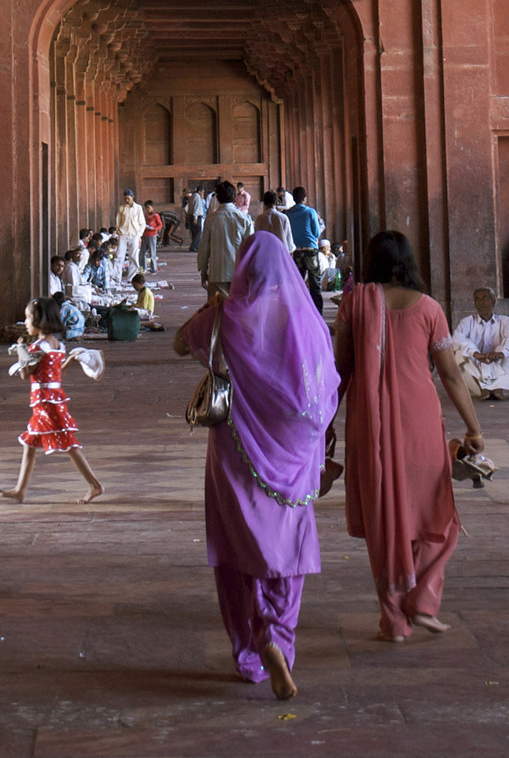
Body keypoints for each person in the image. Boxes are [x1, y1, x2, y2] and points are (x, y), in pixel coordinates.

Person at [174, 230, 337, 698]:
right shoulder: (307, 323)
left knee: (235, 552)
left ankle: (250, 649)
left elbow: (180, 346)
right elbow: (323, 392)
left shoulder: (224, 320)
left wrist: (213, 307)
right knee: (287, 551)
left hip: (234, 456)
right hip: (293, 456)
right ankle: (277, 640)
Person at [333, 229, 483, 642]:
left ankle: (395, 621)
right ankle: (421, 599)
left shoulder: (354, 304)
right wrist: (474, 427)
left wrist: (323, 424)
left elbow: (339, 373)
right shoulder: (429, 309)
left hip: (370, 425)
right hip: (419, 422)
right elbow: (451, 374)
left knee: (386, 520)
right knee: (436, 515)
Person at [0, 295, 104, 504]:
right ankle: (20, 490)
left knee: (69, 444)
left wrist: (21, 350)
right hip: (51, 399)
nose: (26, 323)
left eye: (28, 319)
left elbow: (25, 373)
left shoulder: (39, 347)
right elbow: (54, 373)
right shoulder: (58, 346)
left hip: (45, 403)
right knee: (30, 443)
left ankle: (95, 485)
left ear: (39, 321)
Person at [451, 289, 509, 399]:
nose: (481, 302)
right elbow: (457, 338)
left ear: (493, 302)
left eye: (485, 298)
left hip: (497, 365)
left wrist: (500, 353)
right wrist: (475, 353)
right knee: (459, 354)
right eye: (477, 299)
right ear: (474, 304)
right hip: (476, 371)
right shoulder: (467, 321)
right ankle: (482, 389)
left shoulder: (504, 321)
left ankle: (498, 388)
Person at [198, 179, 253, 298]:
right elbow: (251, 249)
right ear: (234, 198)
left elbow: (204, 247)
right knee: (238, 313)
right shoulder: (244, 219)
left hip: (217, 273)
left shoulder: (211, 219)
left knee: (217, 313)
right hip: (240, 273)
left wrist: (203, 271)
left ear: (217, 198)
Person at [286, 188, 325, 305]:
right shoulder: (310, 212)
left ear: (293, 198)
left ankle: (300, 312)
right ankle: (318, 315)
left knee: (298, 285)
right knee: (315, 285)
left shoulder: (287, 214)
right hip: (311, 250)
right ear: (305, 198)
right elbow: (317, 233)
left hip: (297, 251)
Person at [114, 190, 146, 287]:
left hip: (134, 235)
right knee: (119, 256)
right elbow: (118, 222)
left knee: (134, 257)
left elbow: (142, 223)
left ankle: (131, 278)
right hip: (123, 235)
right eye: (125, 198)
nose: (127, 200)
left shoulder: (138, 208)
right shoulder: (121, 208)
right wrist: (118, 231)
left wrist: (139, 234)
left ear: (133, 197)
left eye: (128, 198)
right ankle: (116, 278)